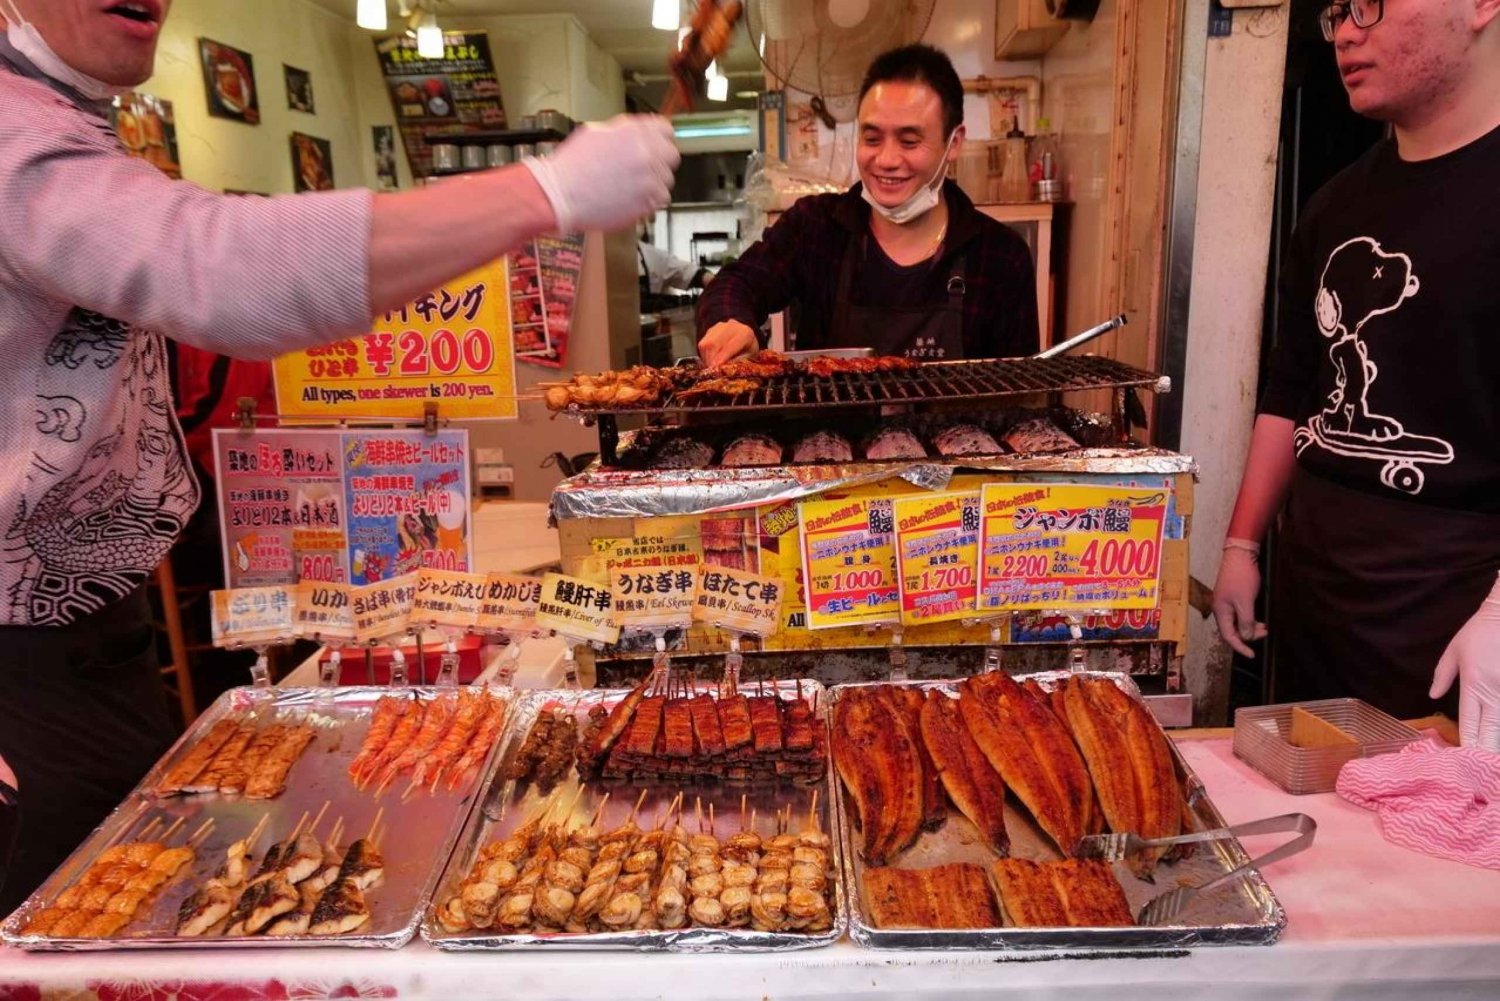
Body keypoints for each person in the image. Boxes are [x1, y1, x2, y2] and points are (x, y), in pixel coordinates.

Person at [0, 0, 680, 911]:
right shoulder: (14, 134)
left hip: (92, 639)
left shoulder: (71, 118)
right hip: (21, 667)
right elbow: (214, 265)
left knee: (150, 915)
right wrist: (542, 192)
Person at [1211, 0, 1500, 748]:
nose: (1344, 30)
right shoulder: (1335, 203)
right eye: (1337, 10)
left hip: (1448, 615)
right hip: (1316, 601)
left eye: (1371, 3)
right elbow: (1291, 385)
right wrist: (1242, 547)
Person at [695, 44, 1039, 366]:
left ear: (954, 143)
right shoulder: (815, 228)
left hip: (959, 433)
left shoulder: (1001, 257)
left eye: (909, 140)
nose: (886, 159)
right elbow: (738, 282)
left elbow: (1023, 397)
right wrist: (731, 323)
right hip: (830, 431)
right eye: (872, 138)